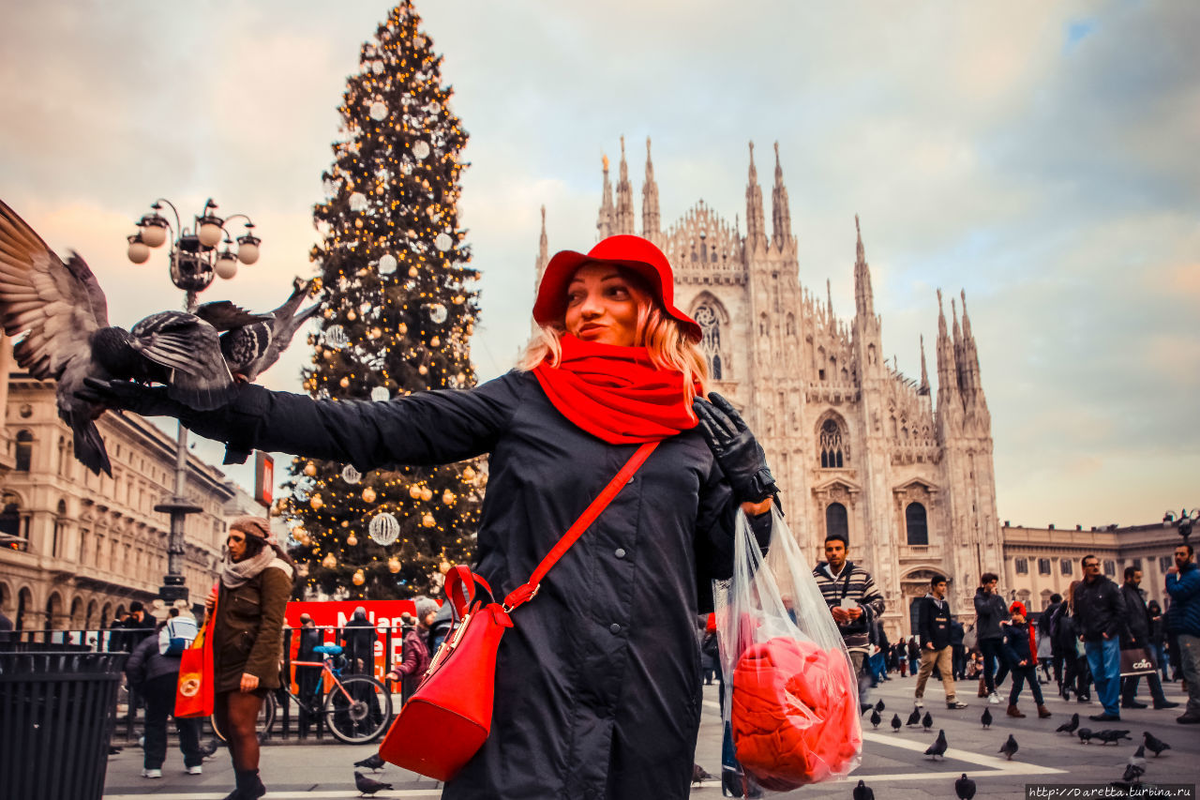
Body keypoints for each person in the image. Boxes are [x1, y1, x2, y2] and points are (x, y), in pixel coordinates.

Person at [81, 234, 778, 800]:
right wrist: (206, 401)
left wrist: (753, 491)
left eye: (613, 292)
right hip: (528, 692)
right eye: (575, 296)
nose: (587, 307)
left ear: (652, 311)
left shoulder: (695, 427)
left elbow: (717, 561)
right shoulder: (526, 400)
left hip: (647, 701)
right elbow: (373, 429)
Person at [206, 516, 294, 800]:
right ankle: (245, 784)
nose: (230, 544)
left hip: (252, 663)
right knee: (226, 726)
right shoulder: (229, 573)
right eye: (229, 538)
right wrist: (211, 609)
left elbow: (272, 624)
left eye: (237, 539)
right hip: (224, 661)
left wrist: (255, 668)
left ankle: (248, 787)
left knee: (240, 725)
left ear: (255, 542)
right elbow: (223, 622)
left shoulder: (274, 571)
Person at [813, 531, 886, 711]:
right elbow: (806, 607)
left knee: (850, 682)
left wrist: (862, 611)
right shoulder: (814, 578)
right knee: (830, 684)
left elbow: (879, 603)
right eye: (829, 549)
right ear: (825, 552)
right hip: (826, 641)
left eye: (838, 549)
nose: (834, 553)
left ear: (846, 552)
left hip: (855, 641)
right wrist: (829, 611)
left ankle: (849, 722)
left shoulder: (861, 575)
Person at [125, 617, 203, 778]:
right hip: (185, 682)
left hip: (159, 681)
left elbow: (132, 665)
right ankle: (194, 763)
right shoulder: (188, 643)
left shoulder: (152, 641)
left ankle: (153, 767)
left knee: (156, 723)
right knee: (187, 722)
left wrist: (142, 687)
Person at [1073, 553, 1129, 722]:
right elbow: (1076, 615)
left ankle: (1112, 709)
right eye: (1091, 565)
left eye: (1097, 564)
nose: (1096, 567)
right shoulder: (1080, 590)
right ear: (1084, 568)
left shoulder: (1110, 587)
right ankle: (1108, 707)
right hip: (1090, 637)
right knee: (1097, 674)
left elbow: (1121, 611)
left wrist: (1110, 631)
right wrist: (1079, 632)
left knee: (1111, 673)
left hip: (1107, 636)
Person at [1119, 566, 1178, 710]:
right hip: (1134, 636)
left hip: (1140, 634)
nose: (1139, 580)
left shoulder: (1134, 593)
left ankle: (1128, 699)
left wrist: (1150, 623)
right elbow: (1122, 616)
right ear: (1128, 577)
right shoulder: (1124, 593)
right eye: (1137, 577)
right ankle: (1158, 699)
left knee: (1137, 670)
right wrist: (1128, 634)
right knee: (1150, 668)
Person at [914, 575, 968, 710]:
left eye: (944, 585)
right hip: (931, 644)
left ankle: (951, 698)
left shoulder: (945, 604)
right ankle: (919, 696)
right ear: (933, 586)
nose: (943, 588)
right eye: (941, 585)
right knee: (925, 672)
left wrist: (949, 642)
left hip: (945, 644)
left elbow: (948, 623)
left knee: (948, 672)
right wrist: (926, 640)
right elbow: (923, 623)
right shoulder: (926, 603)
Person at [1165, 542, 1200, 723]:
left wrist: (1170, 577)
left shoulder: (1193, 576)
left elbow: (1177, 593)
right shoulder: (1189, 575)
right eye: (1176, 554)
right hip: (1189, 626)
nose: (1178, 557)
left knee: (1192, 669)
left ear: (1191, 557)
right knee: (1193, 669)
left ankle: (1195, 708)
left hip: (1190, 628)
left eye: (1182, 554)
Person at [1001, 602, 1051, 719]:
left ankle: (1041, 706)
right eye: (1012, 614)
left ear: (1023, 614)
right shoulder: (1010, 629)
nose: (1014, 617)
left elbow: (1032, 644)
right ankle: (1012, 706)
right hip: (1018, 663)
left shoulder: (1029, 627)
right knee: (1018, 685)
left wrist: (1035, 658)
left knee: (1035, 685)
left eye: (1017, 614)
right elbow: (1008, 647)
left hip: (1029, 661)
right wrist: (1017, 660)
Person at [385, 597, 437, 704]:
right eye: (429, 613)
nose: (434, 615)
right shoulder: (413, 637)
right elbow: (411, 662)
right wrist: (398, 672)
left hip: (437, 684)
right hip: (421, 686)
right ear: (422, 616)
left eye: (436, 612)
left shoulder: (440, 634)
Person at [973, 573, 1010, 704]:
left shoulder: (999, 599)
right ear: (985, 584)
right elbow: (985, 610)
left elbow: (1005, 614)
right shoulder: (978, 598)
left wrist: (1006, 627)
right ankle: (991, 692)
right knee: (989, 664)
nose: (994, 585)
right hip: (986, 636)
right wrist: (993, 597)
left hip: (999, 635)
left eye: (995, 583)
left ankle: (994, 686)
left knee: (1006, 662)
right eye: (991, 583)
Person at [294, 613, 323, 734]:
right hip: (312, 668)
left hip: (307, 669)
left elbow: (305, 651)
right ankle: (310, 721)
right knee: (310, 695)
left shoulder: (308, 635)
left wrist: (298, 664)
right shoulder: (314, 634)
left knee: (306, 696)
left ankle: (306, 725)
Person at [340, 606, 377, 676]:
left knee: (350, 672)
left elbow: (344, 637)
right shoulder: (369, 625)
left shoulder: (349, 624)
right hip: (365, 654)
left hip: (351, 653)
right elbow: (374, 637)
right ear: (365, 615)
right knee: (365, 672)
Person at [1041, 593, 1064, 689]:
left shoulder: (1047, 611)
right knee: (1069, 659)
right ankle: (1070, 682)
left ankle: (1058, 678)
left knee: (1057, 659)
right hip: (1065, 636)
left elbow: (1044, 623)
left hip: (1054, 637)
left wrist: (1050, 633)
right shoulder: (1063, 607)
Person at [1147, 600, 1170, 684]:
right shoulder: (1148, 618)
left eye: (1155, 608)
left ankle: (1165, 675)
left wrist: (1165, 639)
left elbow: (1164, 629)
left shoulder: (1161, 617)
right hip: (1151, 640)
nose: (1154, 609)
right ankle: (1154, 677)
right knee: (1154, 659)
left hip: (1159, 640)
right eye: (1153, 608)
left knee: (1163, 658)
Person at [950, 617, 966, 681]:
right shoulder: (959, 626)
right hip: (959, 645)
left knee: (953, 660)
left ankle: (954, 675)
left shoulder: (948, 626)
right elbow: (963, 635)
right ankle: (961, 672)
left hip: (951, 645)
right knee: (959, 659)